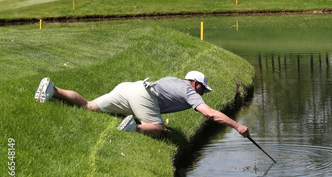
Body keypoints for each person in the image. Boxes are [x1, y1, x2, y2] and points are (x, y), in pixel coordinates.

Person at [34, 71, 250, 139]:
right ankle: (133, 127)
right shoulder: (189, 91)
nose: (203, 93)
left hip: (129, 87)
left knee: (89, 106)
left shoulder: (173, 80)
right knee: (158, 131)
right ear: (195, 84)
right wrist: (238, 127)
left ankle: (54, 90)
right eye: (203, 89)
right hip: (144, 96)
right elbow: (210, 114)